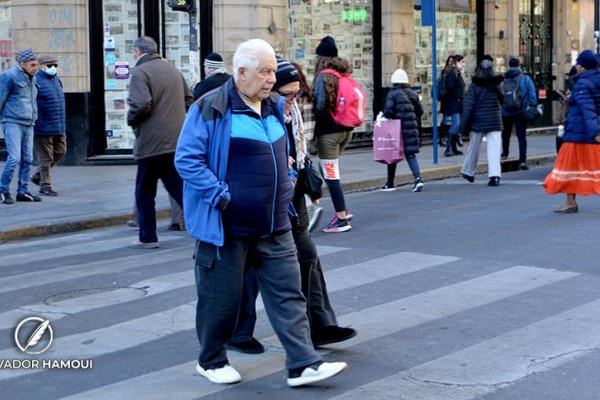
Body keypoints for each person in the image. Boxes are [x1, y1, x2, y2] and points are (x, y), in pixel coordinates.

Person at [174, 38, 347, 387]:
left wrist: (288, 183)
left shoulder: (272, 108)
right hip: (227, 226)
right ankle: (211, 360)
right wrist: (222, 197)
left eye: (272, 71)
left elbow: (286, 157)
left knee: (289, 294)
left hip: (275, 224)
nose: (272, 78)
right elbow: (187, 161)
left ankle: (302, 363)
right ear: (241, 72)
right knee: (220, 300)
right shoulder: (211, 108)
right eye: (264, 71)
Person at [227, 57, 357, 355]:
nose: (293, 100)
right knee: (249, 269)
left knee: (306, 256)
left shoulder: (288, 114)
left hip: (289, 197)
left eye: (296, 94)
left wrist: (305, 183)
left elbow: (298, 154)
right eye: (287, 94)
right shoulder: (256, 115)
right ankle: (236, 332)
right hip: (259, 202)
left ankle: (319, 326)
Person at [126, 36, 192, 248]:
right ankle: (203, 225)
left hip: (151, 142)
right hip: (176, 140)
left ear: (137, 52)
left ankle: (148, 237)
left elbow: (141, 103)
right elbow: (189, 99)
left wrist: (131, 120)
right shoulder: (172, 70)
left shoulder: (140, 72)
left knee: (144, 191)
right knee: (178, 187)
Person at [544, 50, 600, 213]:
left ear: (583, 67)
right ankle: (570, 201)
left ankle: (571, 202)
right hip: (584, 131)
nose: (576, 66)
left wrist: (595, 132)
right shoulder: (594, 81)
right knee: (590, 168)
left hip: (580, 133)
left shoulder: (583, 84)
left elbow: (587, 108)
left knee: (568, 167)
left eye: (578, 64)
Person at [313, 35, 354, 232]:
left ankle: (341, 218)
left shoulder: (323, 76)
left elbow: (320, 106)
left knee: (331, 175)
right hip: (346, 131)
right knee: (328, 171)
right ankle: (343, 211)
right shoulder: (343, 74)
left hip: (329, 133)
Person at [0, 48, 42, 204]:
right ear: (22, 64)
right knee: (14, 158)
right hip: (12, 121)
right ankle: (3, 190)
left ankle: (22, 191)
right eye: (32, 65)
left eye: (36, 65)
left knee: (28, 159)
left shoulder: (33, 78)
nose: (35, 68)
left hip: (29, 122)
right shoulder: (9, 76)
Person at [459, 58, 504, 186]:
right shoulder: (497, 84)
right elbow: (503, 100)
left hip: (478, 121)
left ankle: (468, 171)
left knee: (474, 147)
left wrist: (462, 127)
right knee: (494, 149)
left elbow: (468, 107)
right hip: (494, 120)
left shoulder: (475, 85)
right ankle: (495, 176)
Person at [290, 60, 323, 232]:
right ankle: (310, 204)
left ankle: (309, 207)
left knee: (298, 176)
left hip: (298, 143)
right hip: (304, 142)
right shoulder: (306, 94)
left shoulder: (295, 97)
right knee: (301, 174)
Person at [380, 68, 424, 192]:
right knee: (410, 154)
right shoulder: (413, 94)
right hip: (411, 127)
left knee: (391, 153)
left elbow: (388, 111)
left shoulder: (392, 94)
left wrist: (385, 117)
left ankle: (390, 183)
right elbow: (420, 111)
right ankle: (418, 179)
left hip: (396, 128)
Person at [31, 54, 66, 197]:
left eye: (55, 65)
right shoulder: (36, 80)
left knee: (61, 151)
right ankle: (45, 185)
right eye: (50, 65)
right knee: (46, 158)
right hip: (42, 126)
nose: (53, 68)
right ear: (41, 66)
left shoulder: (56, 79)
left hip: (58, 124)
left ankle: (38, 176)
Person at [501, 57, 537, 170]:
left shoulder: (503, 79)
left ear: (509, 65)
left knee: (505, 134)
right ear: (519, 65)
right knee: (521, 136)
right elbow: (532, 94)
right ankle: (522, 160)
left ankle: (504, 153)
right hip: (520, 111)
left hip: (506, 111)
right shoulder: (525, 79)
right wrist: (533, 106)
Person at [443, 54, 466, 157]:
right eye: (462, 62)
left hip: (457, 102)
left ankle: (453, 147)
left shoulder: (456, 73)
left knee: (457, 125)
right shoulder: (452, 73)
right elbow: (451, 88)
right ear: (457, 62)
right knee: (456, 124)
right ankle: (448, 147)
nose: (463, 64)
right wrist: (458, 95)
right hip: (454, 103)